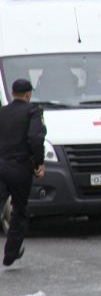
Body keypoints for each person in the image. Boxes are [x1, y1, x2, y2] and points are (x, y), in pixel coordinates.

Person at [0, 80, 46, 266]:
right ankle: (11, 253)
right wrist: (39, 162)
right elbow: (35, 138)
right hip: (20, 168)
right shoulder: (33, 111)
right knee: (19, 210)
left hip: (1, 166)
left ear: (12, 92)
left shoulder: (2, 112)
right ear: (28, 94)